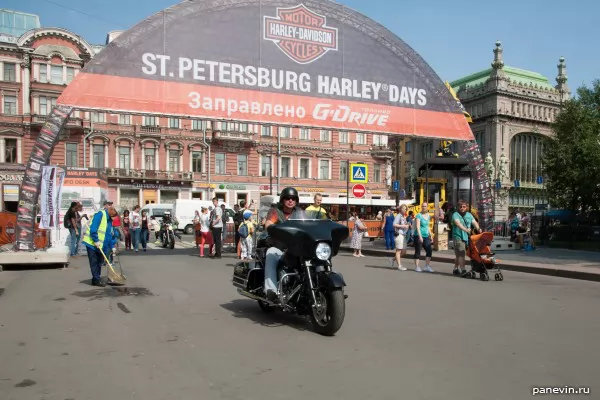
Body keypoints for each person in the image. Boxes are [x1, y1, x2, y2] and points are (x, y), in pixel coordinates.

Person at [263, 187, 306, 301]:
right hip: (280, 247)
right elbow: (268, 223)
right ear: (282, 200)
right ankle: (270, 290)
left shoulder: (300, 212)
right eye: (287, 198)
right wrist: (272, 227)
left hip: (297, 248)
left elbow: (308, 225)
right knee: (271, 253)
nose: (290, 200)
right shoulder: (275, 211)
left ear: (296, 200)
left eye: (293, 198)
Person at [82, 206, 118, 287]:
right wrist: (96, 240)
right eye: (113, 217)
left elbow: (110, 235)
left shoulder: (109, 221)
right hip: (92, 243)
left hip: (100, 246)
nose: (114, 219)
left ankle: (96, 278)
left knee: (99, 262)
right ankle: (96, 279)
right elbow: (93, 228)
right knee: (94, 262)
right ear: (110, 214)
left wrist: (112, 245)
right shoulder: (100, 214)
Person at [451, 199, 480, 276]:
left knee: (458, 255)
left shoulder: (469, 215)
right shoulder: (455, 214)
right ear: (458, 207)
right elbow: (458, 223)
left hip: (467, 237)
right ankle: (463, 270)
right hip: (458, 237)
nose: (462, 208)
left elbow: (474, 222)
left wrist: (478, 229)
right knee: (461, 253)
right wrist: (466, 229)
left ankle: (455, 269)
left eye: (464, 206)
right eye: (461, 207)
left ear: (466, 207)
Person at [414, 202, 434, 272]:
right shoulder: (418, 215)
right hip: (418, 235)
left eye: (425, 206)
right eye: (422, 206)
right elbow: (417, 226)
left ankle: (426, 266)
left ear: (427, 207)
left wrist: (430, 235)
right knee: (418, 251)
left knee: (429, 250)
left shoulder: (428, 216)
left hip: (426, 236)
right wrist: (420, 236)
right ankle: (417, 266)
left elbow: (427, 226)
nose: (424, 207)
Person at [391, 205, 410, 270]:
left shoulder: (403, 216)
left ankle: (393, 259)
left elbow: (404, 224)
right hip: (399, 234)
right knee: (398, 251)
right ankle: (399, 266)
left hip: (403, 235)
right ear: (401, 209)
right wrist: (403, 226)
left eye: (406, 209)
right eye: (404, 209)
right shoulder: (398, 216)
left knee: (404, 251)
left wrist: (408, 224)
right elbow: (394, 224)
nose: (405, 210)